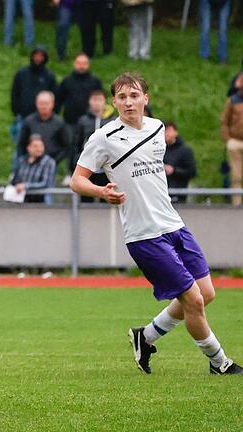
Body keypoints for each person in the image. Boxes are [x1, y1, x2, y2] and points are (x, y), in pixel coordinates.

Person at [71, 72, 242, 375]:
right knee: (193, 301)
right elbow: (77, 181)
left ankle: (145, 336)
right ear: (114, 102)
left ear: (145, 99)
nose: (128, 102)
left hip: (174, 225)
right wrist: (101, 191)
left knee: (207, 293)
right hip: (144, 236)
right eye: (122, 97)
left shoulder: (157, 128)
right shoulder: (103, 138)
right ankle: (220, 363)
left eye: (134, 95)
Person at [10, 46, 56, 142]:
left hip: (42, 119)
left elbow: (55, 96)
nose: (38, 58)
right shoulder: (21, 74)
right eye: (36, 55)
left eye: (41, 56)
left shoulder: (49, 76)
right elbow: (15, 93)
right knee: (20, 145)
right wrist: (16, 112)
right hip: (22, 117)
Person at [18, 91, 70, 169]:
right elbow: (22, 144)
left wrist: (54, 161)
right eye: (41, 103)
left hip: (51, 163)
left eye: (46, 103)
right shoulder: (28, 122)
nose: (44, 106)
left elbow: (66, 146)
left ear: (52, 104)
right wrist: (25, 160)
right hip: (31, 163)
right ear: (36, 103)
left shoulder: (59, 123)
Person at [55, 53, 102, 126]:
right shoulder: (67, 81)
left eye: (84, 63)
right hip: (70, 122)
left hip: (90, 122)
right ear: (74, 64)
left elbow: (100, 101)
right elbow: (58, 101)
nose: (81, 66)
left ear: (88, 65)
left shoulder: (95, 82)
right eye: (79, 63)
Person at [11, 134, 56, 203]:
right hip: (22, 198)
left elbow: (45, 183)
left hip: (41, 200)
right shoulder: (22, 160)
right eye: (35, 146)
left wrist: (25, 186)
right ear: (28, 148)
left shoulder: (49, 162)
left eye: (41, 146)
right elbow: (15, 179)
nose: (39, 149)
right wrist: (18, 185)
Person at [220, 75, 243, 206]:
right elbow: (224, 121)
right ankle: (237, 204)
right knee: (236, 176)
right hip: (235, 141)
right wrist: (228, 140)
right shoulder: (233, 101)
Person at [162, 121, 196, 203]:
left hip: (178, 194)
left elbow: (191, 172)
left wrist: (174, 171)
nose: (166, 133)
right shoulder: (157, 151)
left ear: (176, 132)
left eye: (169, 130)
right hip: (160, 194)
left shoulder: (185, 151)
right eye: (164, 131)